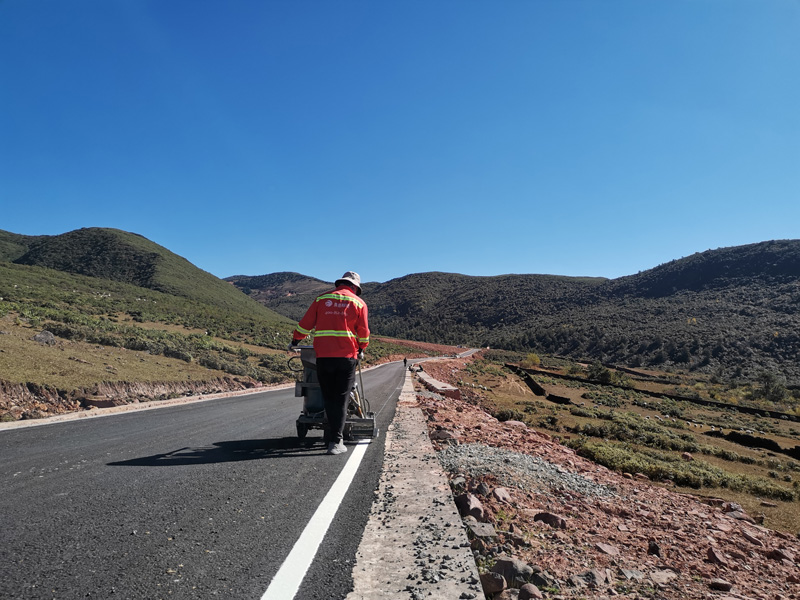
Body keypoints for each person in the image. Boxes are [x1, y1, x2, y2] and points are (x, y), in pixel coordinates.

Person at [289, 271, 369, 455]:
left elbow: (305, 325)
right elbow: (363, 332)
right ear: (355, 287)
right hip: (347, 358)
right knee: (341, 398)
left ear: (339, 283)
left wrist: (295, 341)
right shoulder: (358, 303)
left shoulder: (321, 300)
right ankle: (335, 441)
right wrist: (362, 348)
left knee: (328, 396)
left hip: (323, 357)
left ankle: (330, 431)